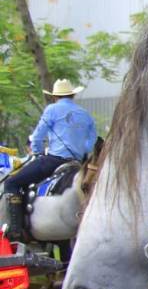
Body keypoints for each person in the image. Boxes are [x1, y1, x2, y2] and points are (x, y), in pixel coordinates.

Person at [4, 79, 98, 242]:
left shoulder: (52, 110)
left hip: (53, 161)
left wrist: (38, 153)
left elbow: (38, 137)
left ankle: (16, 229)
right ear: (73, 95)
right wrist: (81, 152)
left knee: (12, 183)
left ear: (55, 97)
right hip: (77, 164)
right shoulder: (85, 114)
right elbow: (92, 141)